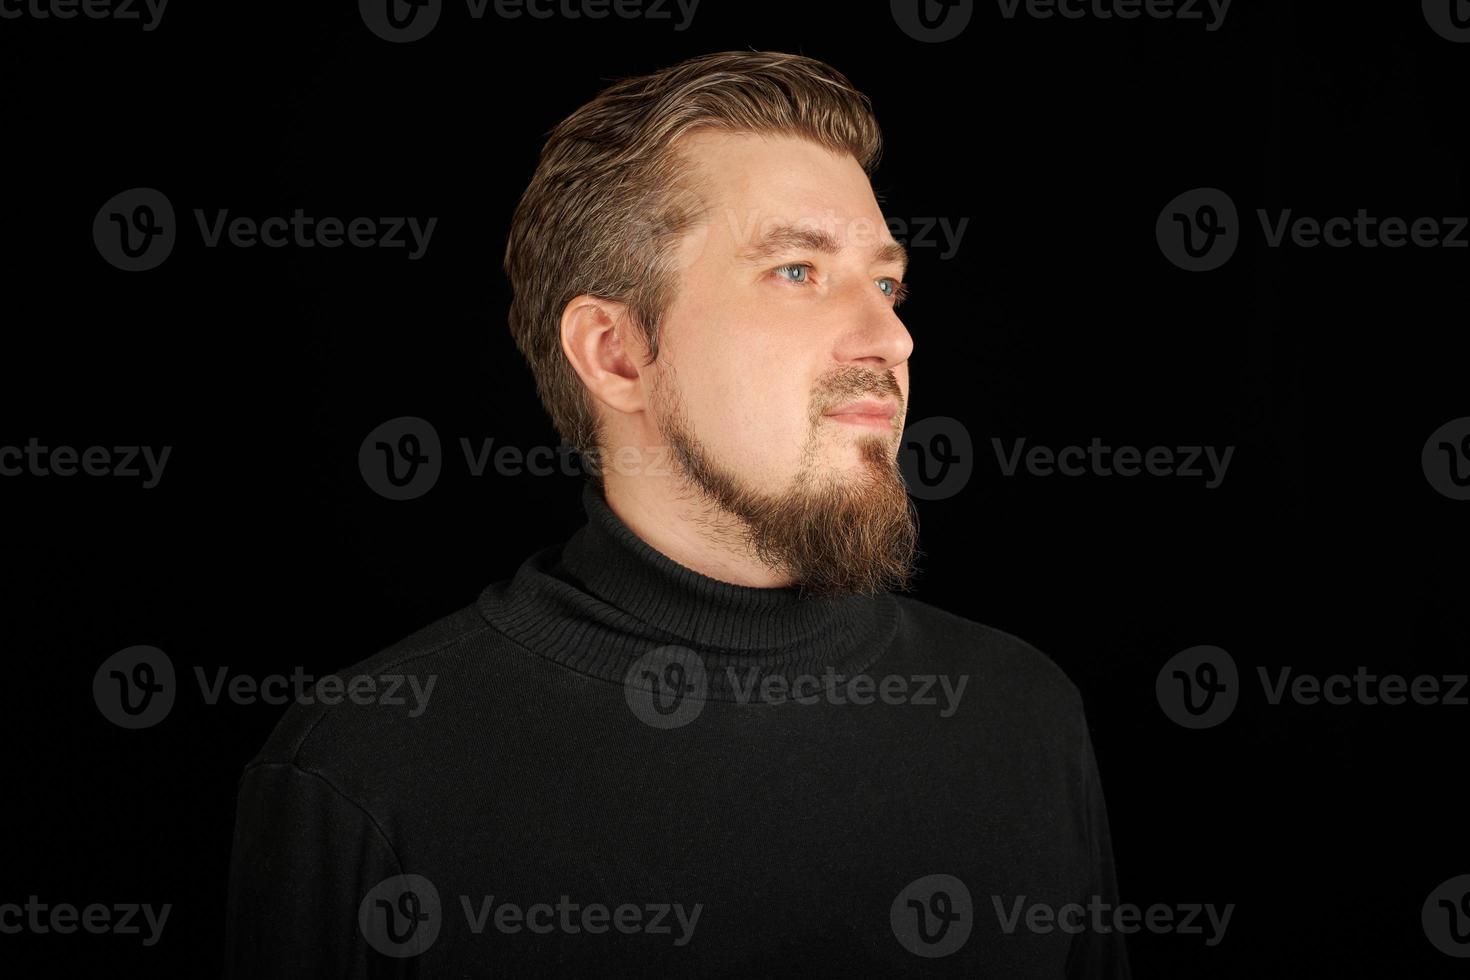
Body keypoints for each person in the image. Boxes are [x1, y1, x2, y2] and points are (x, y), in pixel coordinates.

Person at [224, 49, 1130, 978]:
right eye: (796, 271)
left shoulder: (1021, 714)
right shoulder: (371, 774)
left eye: (887, 282)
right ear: (616, 354)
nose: (892, 337)